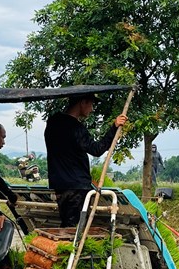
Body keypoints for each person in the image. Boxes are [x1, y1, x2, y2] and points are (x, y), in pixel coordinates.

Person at [44, 94, 128, 227]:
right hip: (77, 187)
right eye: (91, 104)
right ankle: (71, 247)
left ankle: (67, 245)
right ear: (83, 102)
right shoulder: (76, 128)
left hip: (59, 185)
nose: (92, 109)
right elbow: (97, 149)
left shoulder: (53, 122)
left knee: (67, 223)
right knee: (74, 228)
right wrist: (114, 127)